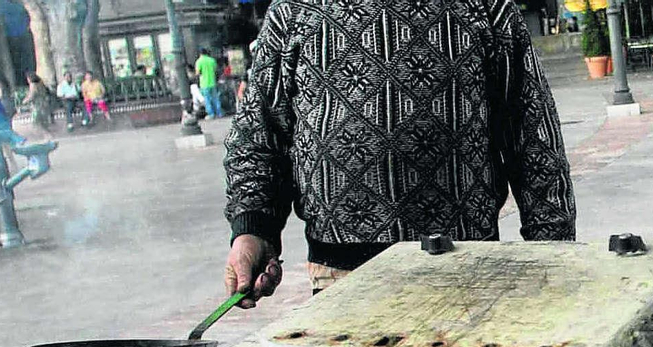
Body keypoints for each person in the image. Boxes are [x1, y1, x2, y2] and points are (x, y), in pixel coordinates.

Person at [222, 0, 576, 300]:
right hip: (341, 276)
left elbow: (532, 133)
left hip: (467, 267)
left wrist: (553, 255)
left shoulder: (486, 7)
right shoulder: (294, 11)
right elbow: (260, 134)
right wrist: (253, 230)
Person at [196, 47, 223, 119]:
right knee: (215, 98)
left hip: (204, 84)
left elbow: (198, 73)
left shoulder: (199, 61)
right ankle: (219, 113)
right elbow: (216, 70)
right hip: (213, 82)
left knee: (207, 99)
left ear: (200, 54)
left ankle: (211, 114)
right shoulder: (212, 60)